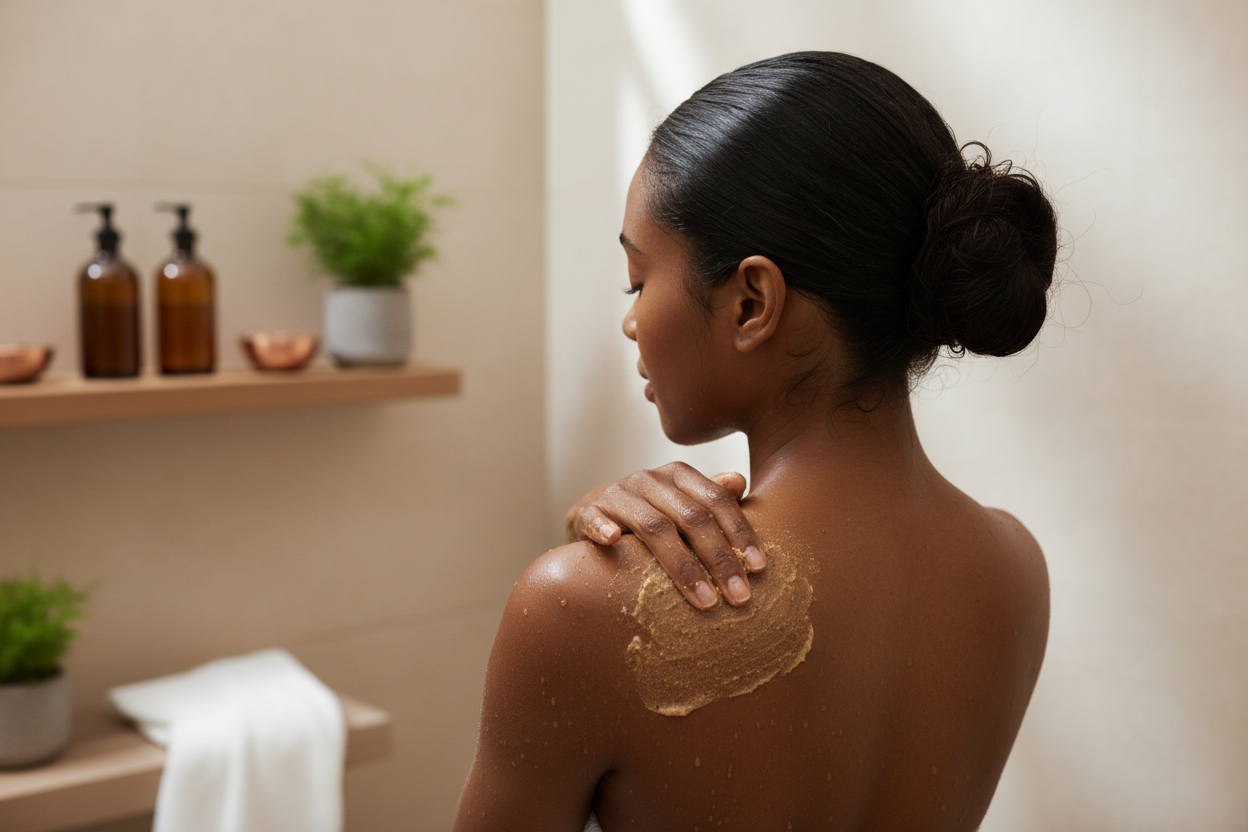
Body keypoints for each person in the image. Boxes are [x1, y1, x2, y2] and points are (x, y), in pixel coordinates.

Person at [454, 51, 1055, 832]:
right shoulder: (1012, 568)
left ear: (750, 302)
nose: (632, 319)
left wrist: (585, 577)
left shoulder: (582, 608)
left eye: (640, 279)